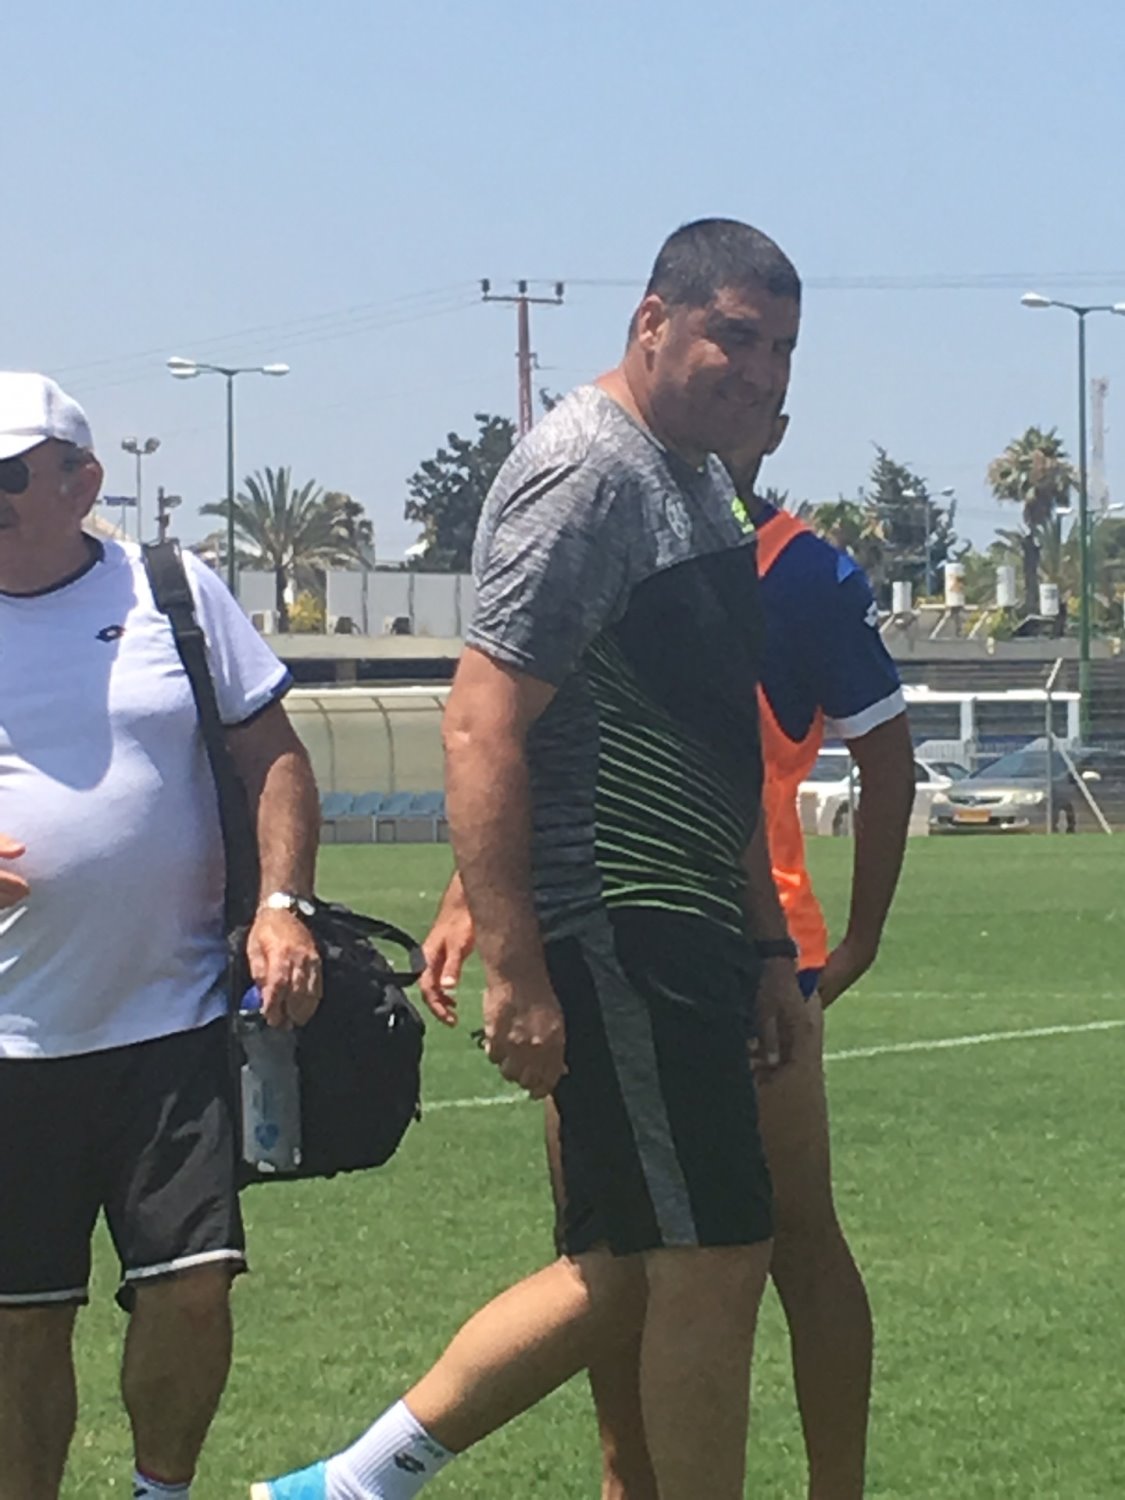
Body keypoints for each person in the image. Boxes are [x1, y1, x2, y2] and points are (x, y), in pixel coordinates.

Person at [253, 218, 806, 1500]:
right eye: (735, 336)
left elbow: (709, 738)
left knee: (624, 1266)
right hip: (618, 916)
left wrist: (768, 942)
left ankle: (347, 1487)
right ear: (651, 322)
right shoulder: (588, 471)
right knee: (717, 1253)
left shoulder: (698, 482)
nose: (762, 371)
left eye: (783, 347)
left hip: (686, 921)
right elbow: (484, 717)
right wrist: (519, 965)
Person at [421, 409, 916, 1498]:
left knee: (776, 1237)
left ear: (778, 424)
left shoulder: (801, 570)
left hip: (751, 944)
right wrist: (474, 894)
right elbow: (523, 726)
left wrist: (857, 937)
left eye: (766, 369)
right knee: (621, 1250)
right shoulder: (606, 526)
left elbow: (887, 750)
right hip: (610, 929)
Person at [0, 372, 323, 1500]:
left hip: (172, 1024)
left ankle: (161, 1491)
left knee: (193, 1289)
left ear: (83, 482)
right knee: (21, 1324)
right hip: (12, 1042)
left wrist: (283, 905)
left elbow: (273, 757)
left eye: (7, 475)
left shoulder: (171, 591)